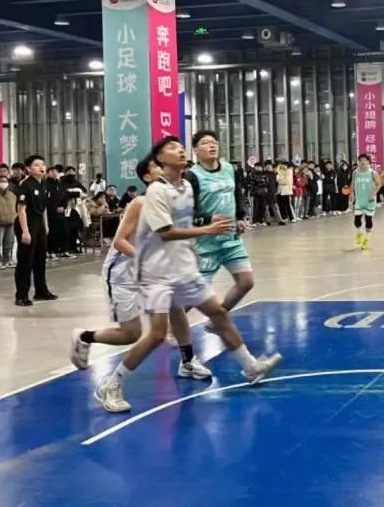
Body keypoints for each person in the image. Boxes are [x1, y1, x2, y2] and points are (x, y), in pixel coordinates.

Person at [93, 137, 281, 414]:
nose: (180, 150)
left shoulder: (186, 187)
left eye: (180, 146)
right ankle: (112, 384)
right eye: (172, 148)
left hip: (182, 268)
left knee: (218, 313)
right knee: (157, 335)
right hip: (155, 272)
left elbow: (185, 223)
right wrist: (207, 231)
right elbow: (166, 232)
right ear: (160, 160)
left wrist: (193, 249)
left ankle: (250, 366)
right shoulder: (157, 191)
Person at [70, 156, 211, 381]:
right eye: (158, 167)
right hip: (124, 274)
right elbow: (120, 242)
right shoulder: (140, 203)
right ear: (147, 177)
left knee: (177, 306)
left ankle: (188, 362)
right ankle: (85, 337)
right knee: (132, 334)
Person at [188, 130, 256, 316]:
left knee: (246, 282)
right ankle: (167, 326)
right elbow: (188, 212)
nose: (212, 145)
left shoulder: (229, 169)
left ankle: (218, 319)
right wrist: (209, 219)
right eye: (205, 142)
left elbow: (237, 194)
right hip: (206, 244)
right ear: (195, 150)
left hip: (231, 239)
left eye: (214, 142)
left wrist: (240, 217)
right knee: (196, 295)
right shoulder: (192, 177)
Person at [14, 155, 58, 306]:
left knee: (40, 259)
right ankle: (21, 295)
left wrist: (45, 225)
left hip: (39, 223)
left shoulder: (43, 184)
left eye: (43, 164)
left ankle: (41, 291)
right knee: (26, 260)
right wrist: (25, 231)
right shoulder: (25, 185)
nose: (41, 167)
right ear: (28, 169)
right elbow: (21, 209)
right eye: (37, 165)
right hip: (27, 223)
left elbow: (43, 208)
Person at [0, 173, 18, 269]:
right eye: (1, 181)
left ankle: (7, 259)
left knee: (9, 242)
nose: (3, 183)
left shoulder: (12, 195)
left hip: (11, 222)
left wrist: (15, 217)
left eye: (5, 181)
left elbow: (16, 207)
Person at [352, 154, 381, 250]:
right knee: (357, 220)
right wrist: (351, 193)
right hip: (359, 200)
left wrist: (374, 193)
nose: (362, 162)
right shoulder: (355, 172)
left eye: (364, 160)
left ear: (368, 162)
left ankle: (367, 239)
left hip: (369, 200)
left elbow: (379, 184)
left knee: (368, 220)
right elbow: (352, 183)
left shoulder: (372, 173)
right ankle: (359, 233)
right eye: (360, 160)